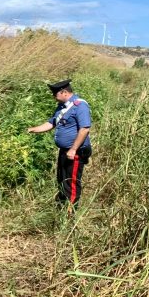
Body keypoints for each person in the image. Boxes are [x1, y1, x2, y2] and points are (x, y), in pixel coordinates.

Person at [27, 79, 92, 209]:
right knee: (62, 180)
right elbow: (52, 123)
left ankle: (70, 214)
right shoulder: (61, 107)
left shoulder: (80, 106)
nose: (53, 97)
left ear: (64, 92)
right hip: (65, 151)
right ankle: (61, 207)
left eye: (55, 94)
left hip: (75, 152)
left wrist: (73, 149)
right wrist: (33, 129)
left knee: (71, 183)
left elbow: (85, 128)